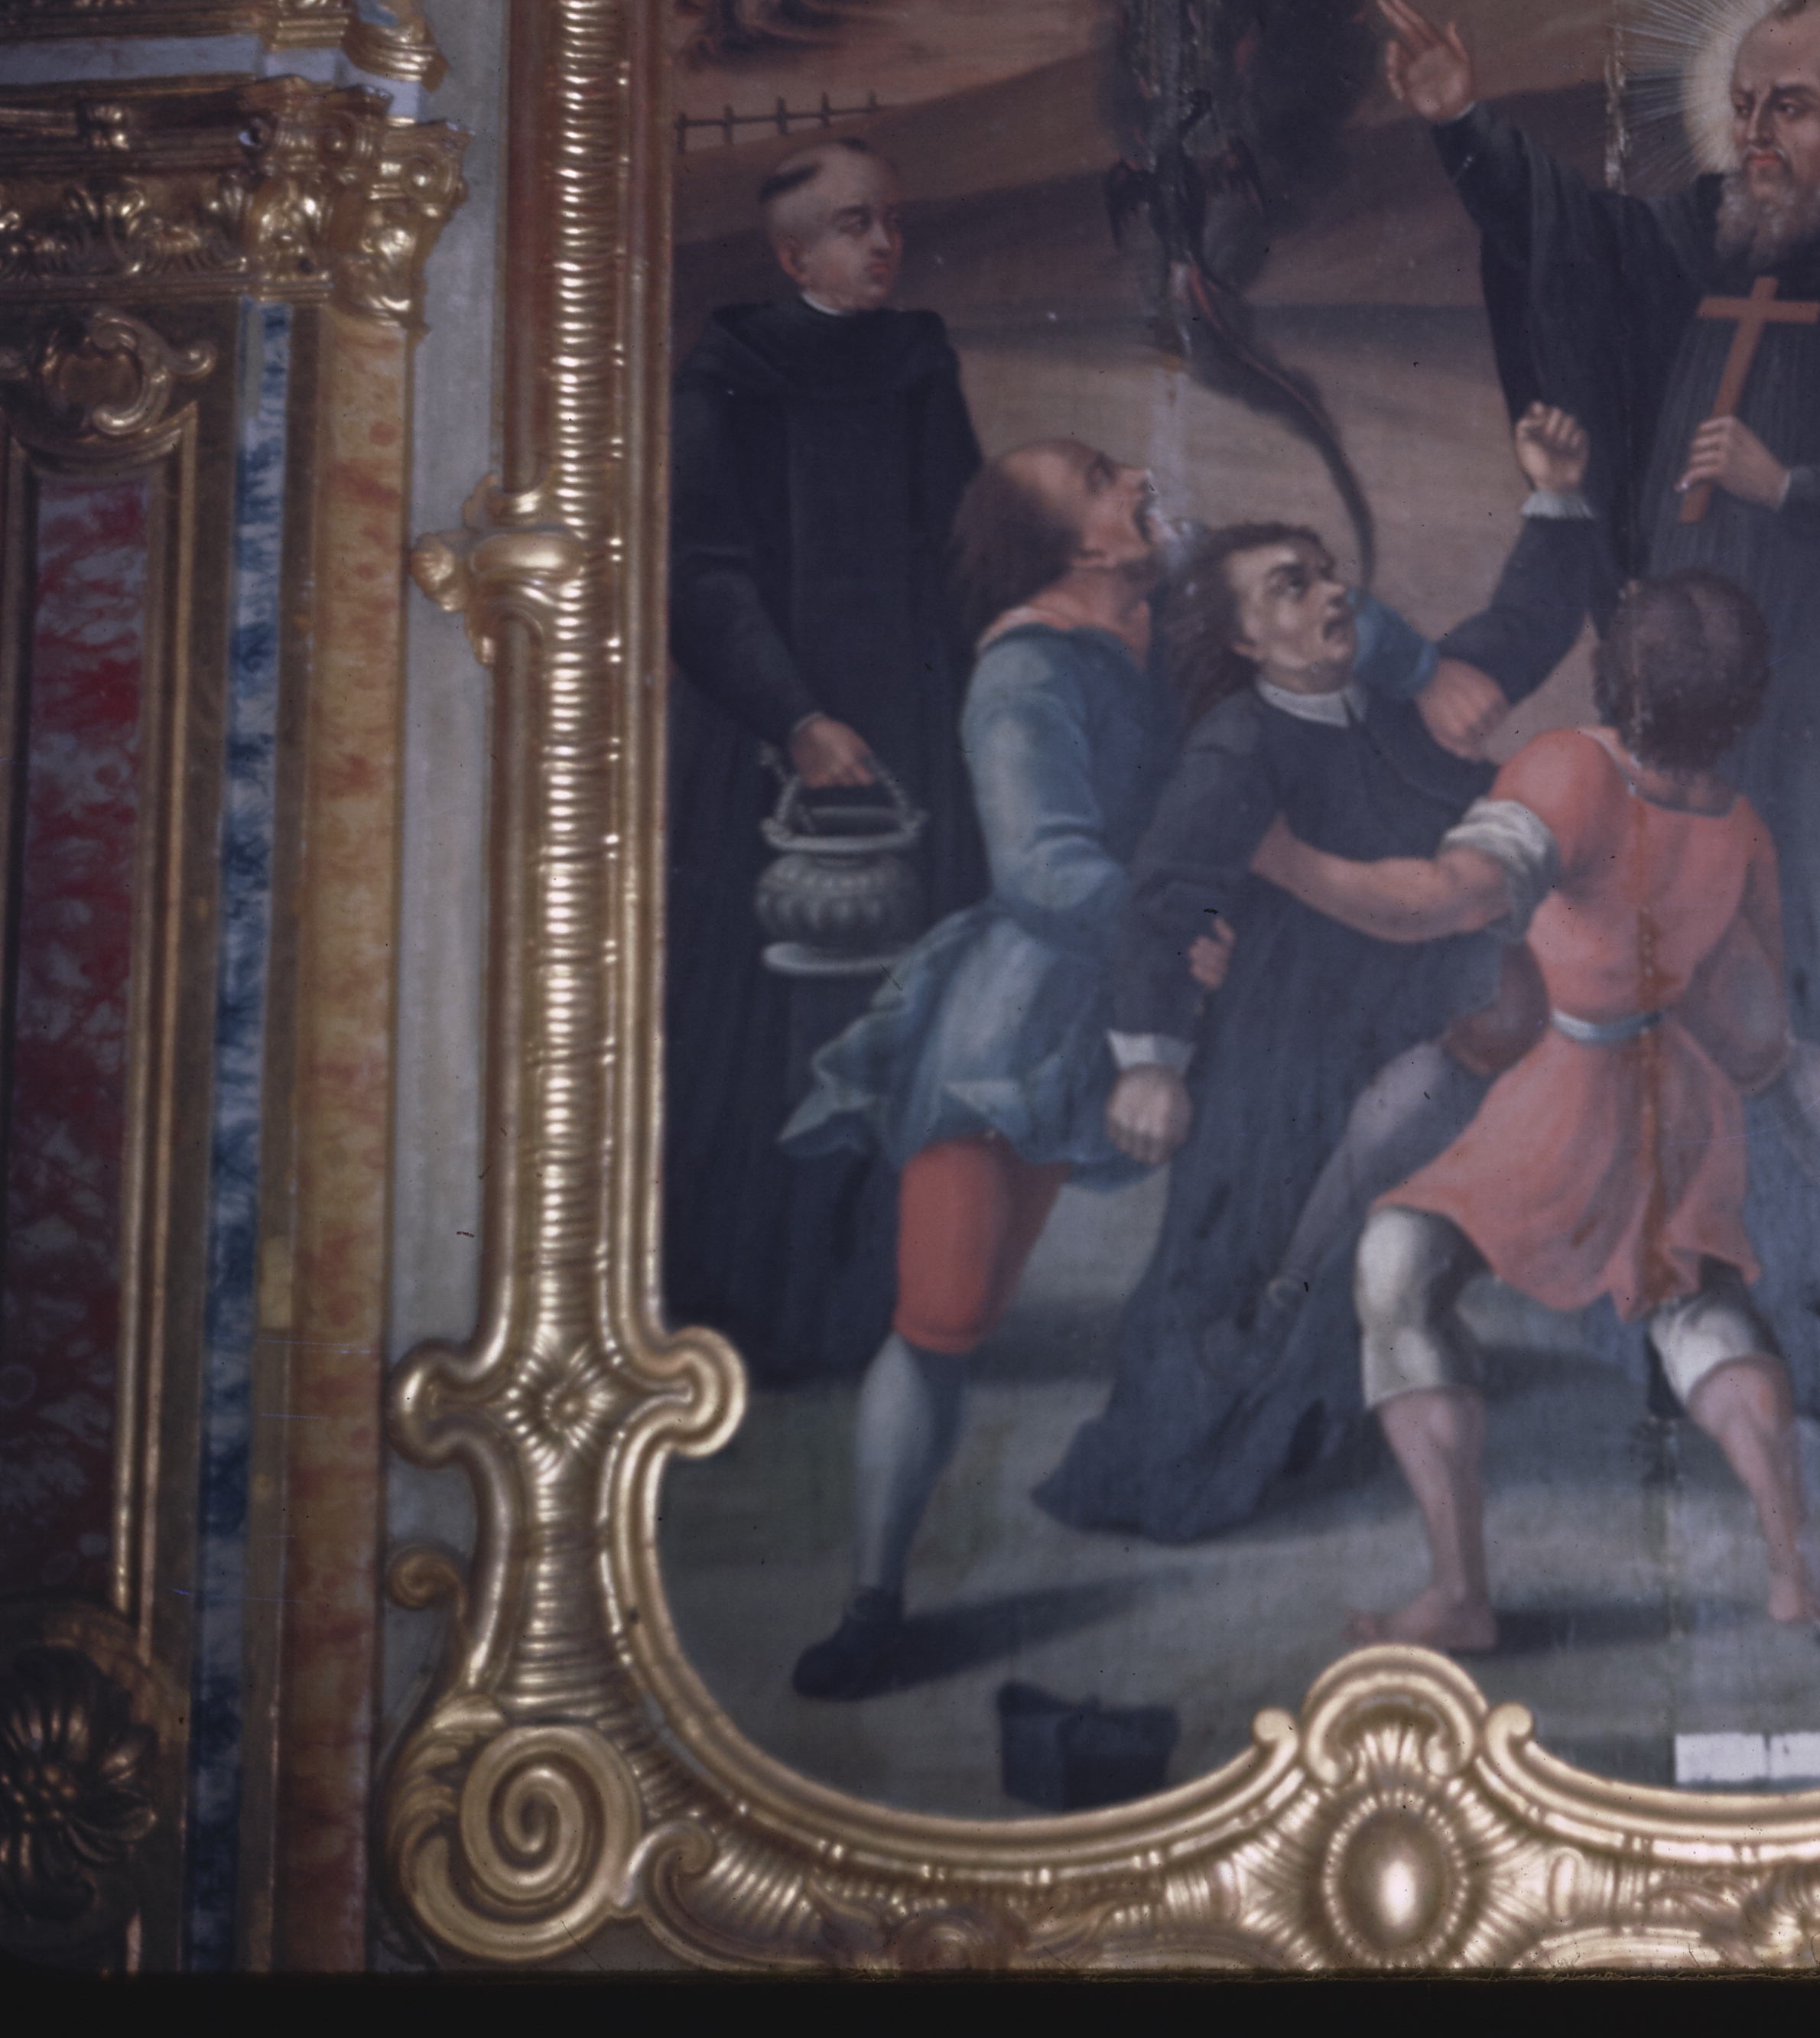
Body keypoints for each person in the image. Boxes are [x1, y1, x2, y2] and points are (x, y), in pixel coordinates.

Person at [1376, 0, 1820, 1466]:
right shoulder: (1696, 244)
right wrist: (1462, 125)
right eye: (1747, 102)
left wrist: (1796, 486)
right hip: (1705, 727)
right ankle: (1748, 1338)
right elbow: (1567, 244)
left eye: (1795, 108)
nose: (1758, 134)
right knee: (1699, 1013)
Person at [769, 437, 1456, 1696]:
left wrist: (1424, 670)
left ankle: (1258, 1430)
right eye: (1100, 479)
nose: (1136, 482)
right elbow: (1044, 870)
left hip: (1198, 992)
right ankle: (872, 1600)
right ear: (1075, 546)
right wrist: (1179, 937)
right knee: (943, 1312)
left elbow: (1355, 627)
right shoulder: (1026, 675)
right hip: (1027, 1024)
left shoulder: (1166, 616)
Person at [1253, 570, 1820, 1653]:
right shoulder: (1741, 829)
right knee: (1697, 1306)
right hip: (1672, 1099)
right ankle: (1795, 1567)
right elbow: (1753, 1031)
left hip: (1566, 1090)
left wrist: (1277, 855)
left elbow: (1443, 901)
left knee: (1398, 1263)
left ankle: (1459, 1593)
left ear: (1614, 673)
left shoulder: (1571, 772)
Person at [1028, 405, 1609, 1543]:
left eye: (1329, 575)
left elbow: (1518, 635)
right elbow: (1166, 900)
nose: (1331, 595)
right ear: (1244, 640)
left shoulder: (1401, 715)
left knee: (1354, 1237)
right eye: (1290, 588)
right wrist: (1150, 1063)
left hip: (1394, 1027)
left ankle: (1321, 1431)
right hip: (1278, 1042)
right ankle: (1174, 1471)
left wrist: (1553, 496)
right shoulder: (1238, 746)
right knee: (1242, 1244)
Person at [663, 140, 986, 1382]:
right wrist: (794, 717)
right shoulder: (729, 372)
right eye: (856, 226)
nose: (885, 245)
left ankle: (890, 1305)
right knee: (766, 1033)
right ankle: (753, 1310)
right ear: (794, 257)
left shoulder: (916, 358)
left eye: (890, 220)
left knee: (908, 1015)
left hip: (912, 744)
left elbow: (962, 540)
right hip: (772, 746)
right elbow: (703, 574)